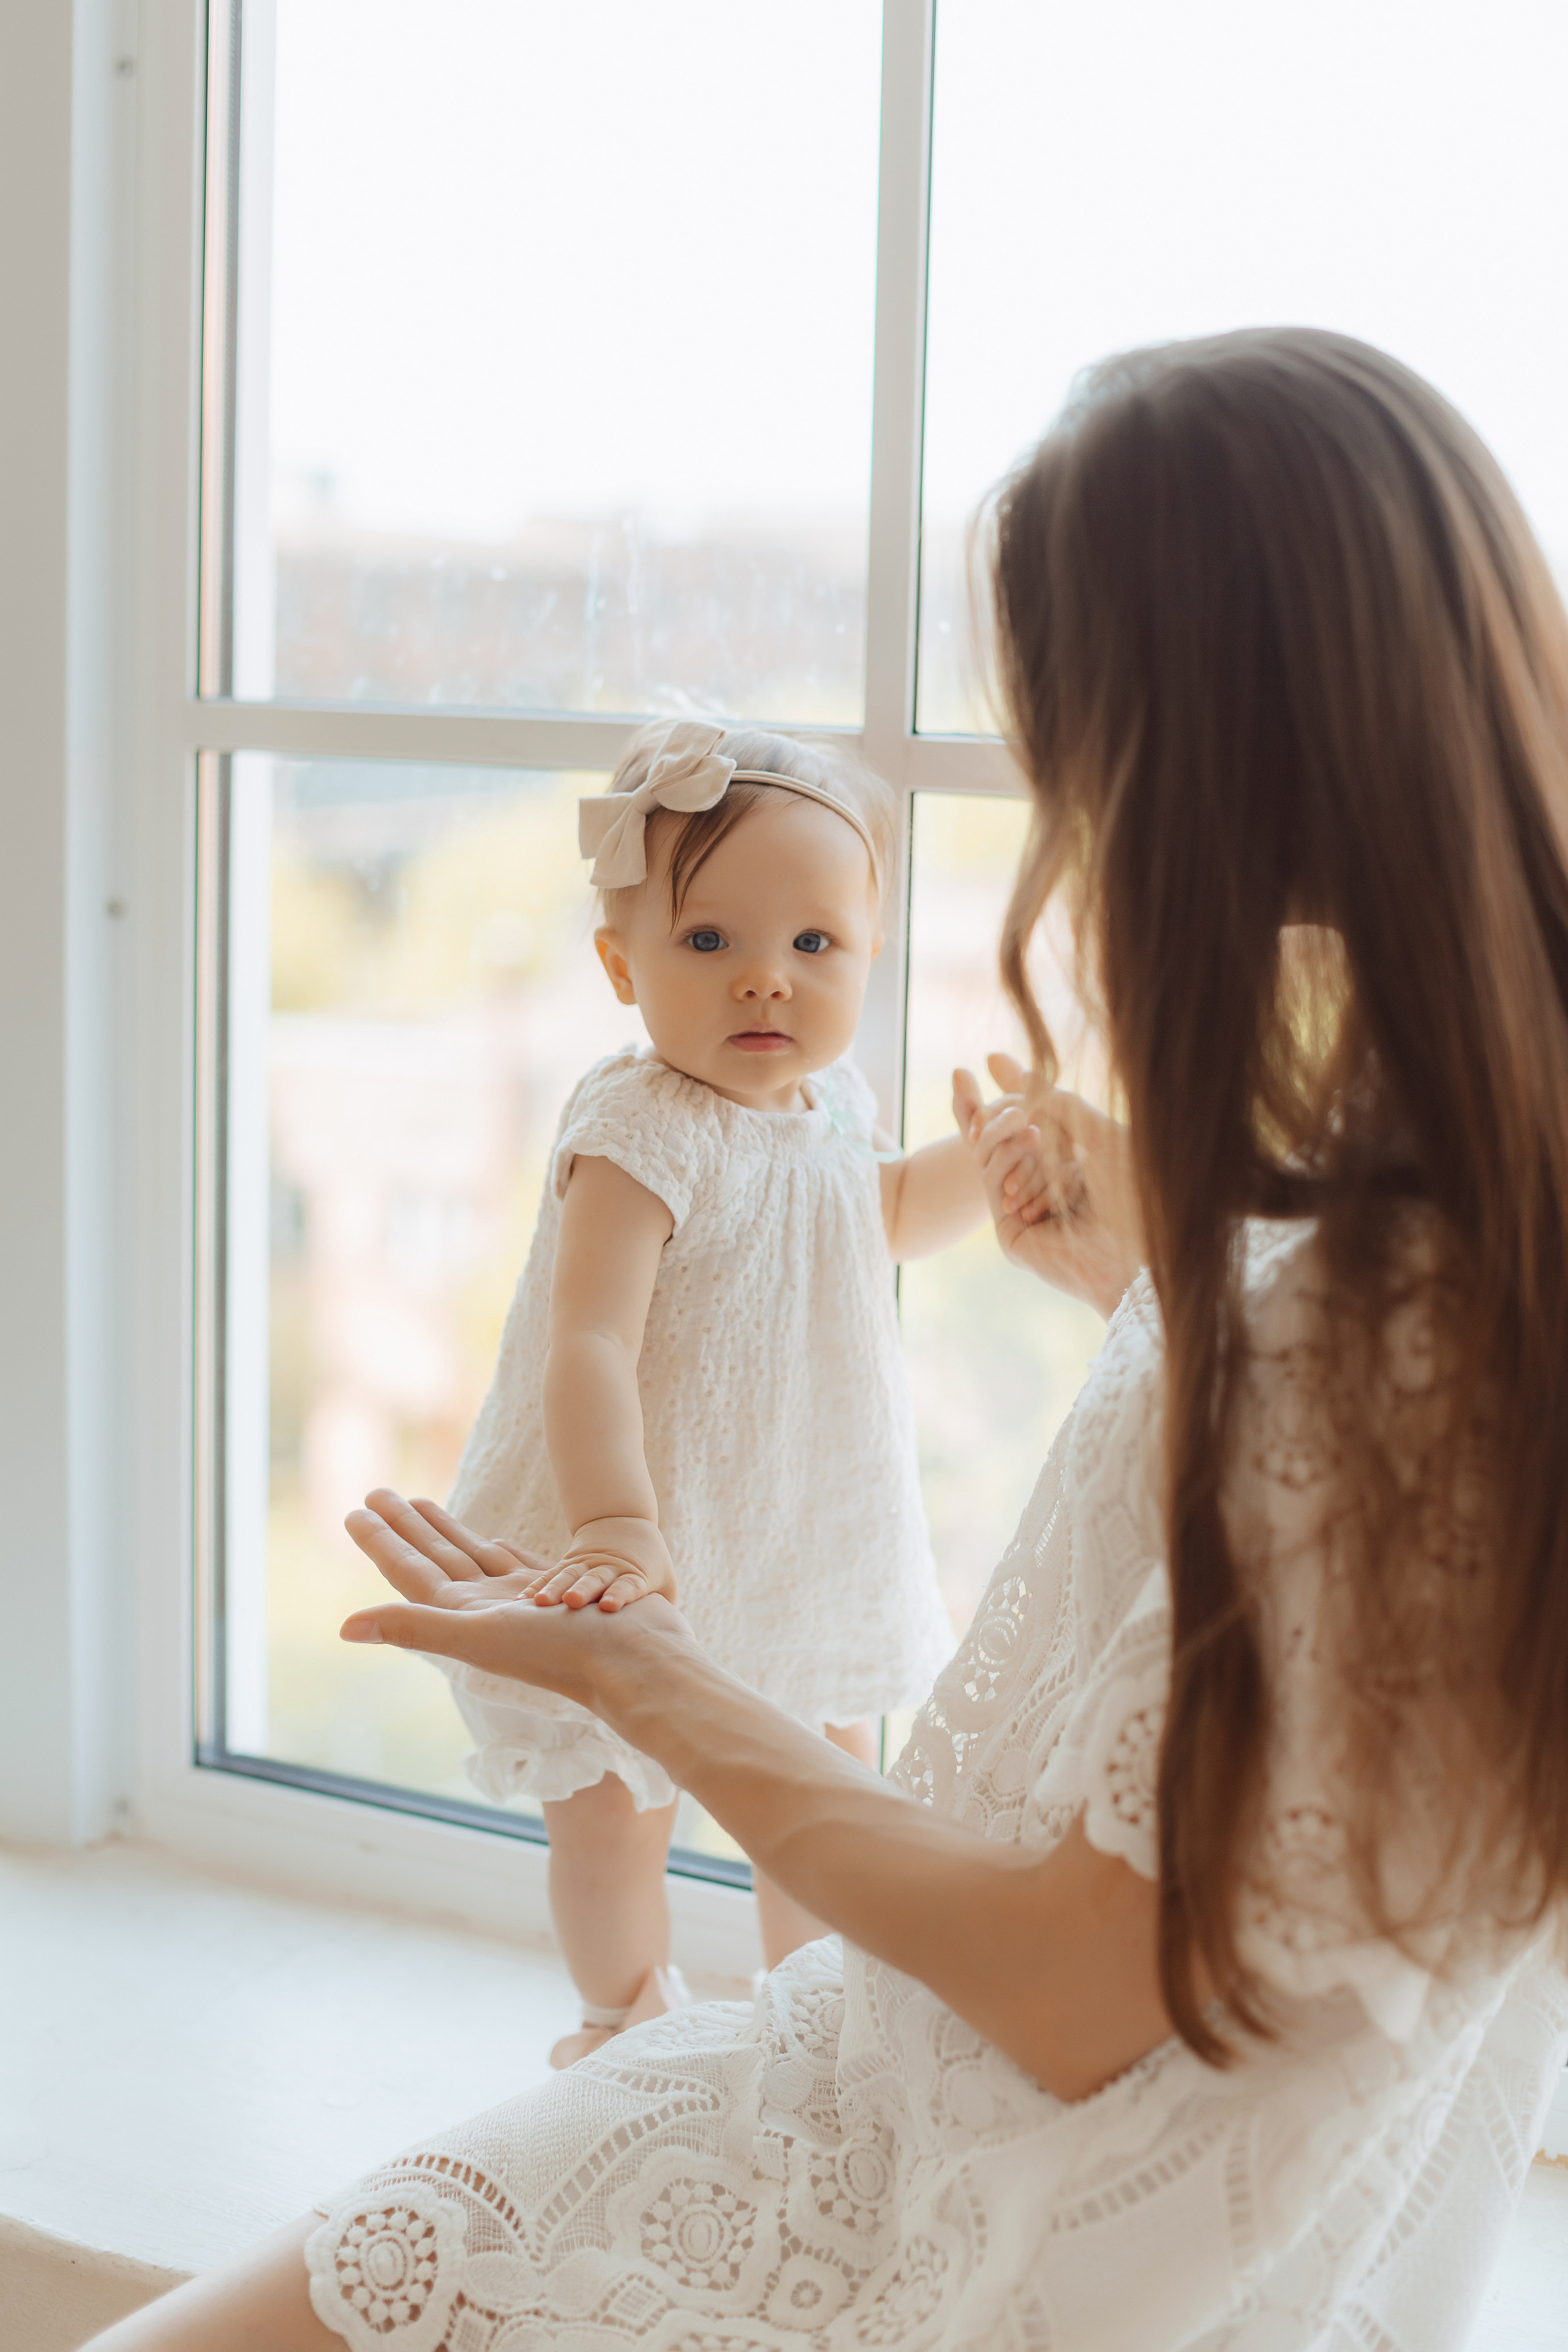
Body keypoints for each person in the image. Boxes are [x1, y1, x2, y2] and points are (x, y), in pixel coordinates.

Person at [89, 326, 1568, 2352]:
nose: (1067, 814)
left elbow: (1063, 1997)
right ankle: (624, 2006)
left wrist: (654, 1681)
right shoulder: (1455, 1220)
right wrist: (1166, 1277)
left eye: (1080, 743)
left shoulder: (1386, 1336)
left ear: (1208, 763)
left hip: (961, 2210)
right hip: (876, 2090)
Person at [417, 717, 999, 2066]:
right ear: (621, 966)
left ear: (865, 957)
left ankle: (817, 2028)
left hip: (796, 1523)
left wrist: (988, 1156)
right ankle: (619, 2020)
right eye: (706, 943)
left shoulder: (835, 1105)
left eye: (812, 946)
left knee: (816, 1803)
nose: (766, 983)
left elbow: (887, 1213)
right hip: (638, 1522)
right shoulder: (638, 1127)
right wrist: (614, 1521)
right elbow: (589, 1342)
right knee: (617, 1817)